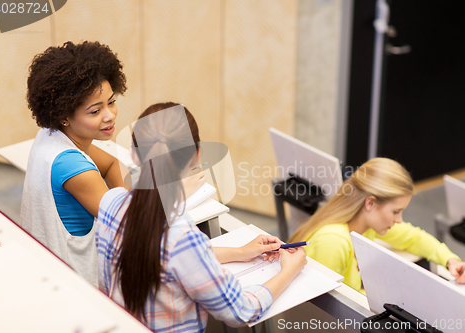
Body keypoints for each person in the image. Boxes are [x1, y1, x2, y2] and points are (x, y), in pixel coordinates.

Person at [96, 102, 307, 332]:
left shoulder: (111, 202)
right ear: (196, 157)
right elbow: (240, 311)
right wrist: (289, 270)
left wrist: (240, 253)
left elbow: (164, 257)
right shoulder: (181, 236)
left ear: (134, 155)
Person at [21, 41, 128, 285]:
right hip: (75, 287)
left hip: (41, 269)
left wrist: (123, 198)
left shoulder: (49, 137)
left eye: (111, 102)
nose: (109, 115)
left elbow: (111, 165)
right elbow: (130, 226)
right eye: (95, 111)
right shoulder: (74, 168)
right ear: (64, 116)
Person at [288, 157, 465, 294]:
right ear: (370, 203)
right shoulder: (333, 242)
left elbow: (413, 237)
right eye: (395, 211)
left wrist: (450, 261)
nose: (399, 220)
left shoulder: (365, 224)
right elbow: (327, 308)